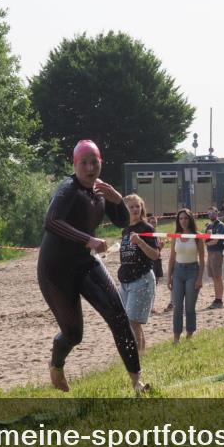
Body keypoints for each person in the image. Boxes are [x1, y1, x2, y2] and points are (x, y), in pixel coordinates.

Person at [38, 140, 148, 393]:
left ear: (101, 163)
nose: (90, 168)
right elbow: (51, 222)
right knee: (74, 334)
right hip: (55, 272)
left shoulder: (100, 190)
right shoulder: (67, 189)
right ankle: (56, 364)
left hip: (85, 263)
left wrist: (117, 199)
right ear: (75, 164)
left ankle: (137, 382)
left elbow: (122, 221)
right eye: (84, 163)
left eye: (94, 162)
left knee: (119, 317)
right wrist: (87, 239)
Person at [119, 194, 159, 354]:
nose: (135, 209)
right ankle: (140, 354)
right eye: (131, 207)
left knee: (133, 321)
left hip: (142, 279)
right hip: (126, 280)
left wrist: (141, 242)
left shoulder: (146, 228)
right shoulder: (125, 230)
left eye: (138, 206)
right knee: (130, 322)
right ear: (125, 209)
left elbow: (155, 255)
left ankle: (137, 357)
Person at [167, 208, 205, 343]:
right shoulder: (175, 236)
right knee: (177, 306)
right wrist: (169, 277)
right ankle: (176, 337)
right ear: (178, 220)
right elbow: (171, 258)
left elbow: (202, 259)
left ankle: (189, 335)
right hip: (177, 272)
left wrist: (200, 278)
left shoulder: (197, 236)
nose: (183, 221)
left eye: (186, 218)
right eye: (181, 218)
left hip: (192, 271)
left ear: (190, 219)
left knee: (190, 306)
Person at [204, 208, 224, 309]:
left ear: (217, 213)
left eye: (213, 212)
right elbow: (205, 239)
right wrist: (208, 241)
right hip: (209, 253)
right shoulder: (209, 225)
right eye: (209, 213)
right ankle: (217, 299)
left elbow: (215, 241)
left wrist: (208, 241)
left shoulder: (220, 225)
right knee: (213, 277)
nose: (211, 214)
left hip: (217, 252)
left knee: (218, 277)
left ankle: (219, 300)